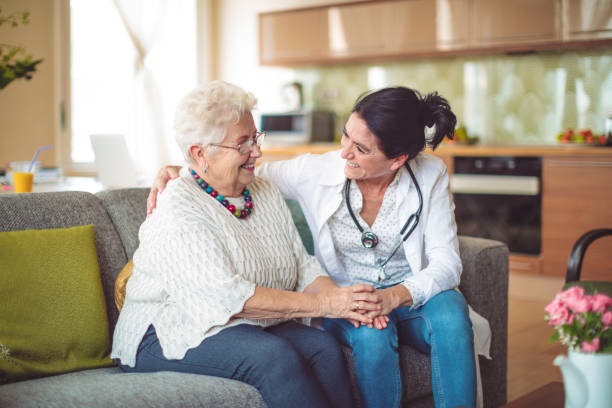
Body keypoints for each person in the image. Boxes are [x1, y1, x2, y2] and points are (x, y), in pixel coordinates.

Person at [148, 86, 491, 408]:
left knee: (451, 314)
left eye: (361, 149)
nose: (344, 152)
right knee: (371, 336)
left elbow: (447, 263)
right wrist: (187, 169)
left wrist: (395, 295)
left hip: (410, 293)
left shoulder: (430, 173)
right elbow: (244, 172)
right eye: (346, 135)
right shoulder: (317, 170)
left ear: (397, 160)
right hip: (350, 292)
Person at [111, 80, 384, 408]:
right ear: (200, 154)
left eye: (255, 138)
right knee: (272, 357)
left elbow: (302, 266)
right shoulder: (178, 207)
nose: (257, 151)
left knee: (322, 349)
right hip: (165, 329)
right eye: (243, 143)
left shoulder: (262, 190)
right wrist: (327, 306)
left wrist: (345, 300)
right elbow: (230, 299)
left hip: (238, 324)